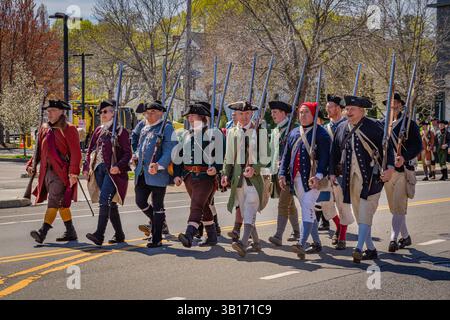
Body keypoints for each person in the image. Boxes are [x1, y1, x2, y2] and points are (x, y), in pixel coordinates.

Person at [329, 95, 395, 263]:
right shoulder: (342, 128)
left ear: (361, 111)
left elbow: (388, 149)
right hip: (350, 178)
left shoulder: (374, 126)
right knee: (359, 214)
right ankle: (371, 249)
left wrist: (390, 168)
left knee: (365, 211)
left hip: (372, 178)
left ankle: (359, 248)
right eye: (347, 109)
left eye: (352, 109)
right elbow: (334, 152)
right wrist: (331, 172)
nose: (348, 112)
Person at [279, 102, 331, 260]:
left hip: (313, 179)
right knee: (307, 209)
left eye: (307, 112)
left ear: (314, 115)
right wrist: (282, 174)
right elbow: (286, 156)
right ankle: (316, 243)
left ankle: (301, 243)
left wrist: (319, 175)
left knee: (307, 206)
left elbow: (325, 158)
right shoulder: (294, 132)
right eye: (301, 112)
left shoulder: (321, 134)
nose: (303, 115)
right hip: (296, 179)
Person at [29, 100, 82, 244]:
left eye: (52, 110)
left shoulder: (69, 129)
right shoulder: (44, 128)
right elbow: (39, 150)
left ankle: (42, 232)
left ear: (61, 112)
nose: (49, 113)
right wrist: (31, 164)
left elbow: (76, 153)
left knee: (53, 201)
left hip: (61, 173)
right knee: (61, 203)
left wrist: (73, 173)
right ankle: (71, 232)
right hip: (46, 172)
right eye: (48, 110)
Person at [221, 101, 268, 257]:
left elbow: (266, 157)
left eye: (248, 113)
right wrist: (225, 174)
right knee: (247, 211)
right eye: (241, 113)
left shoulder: (260, 131)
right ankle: (257, 243)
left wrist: (255, 168)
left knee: (249, 209)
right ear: (236, 115)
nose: (245, 116)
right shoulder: (232, 132)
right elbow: (228, 157)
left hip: (254, 180)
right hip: (237, 179)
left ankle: (243, 243)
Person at [174, 102, 224, 247]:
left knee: (196, 205)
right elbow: (179, 156)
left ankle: (189, 234)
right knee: (204, 206)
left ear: (202, 117)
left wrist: (216, 167)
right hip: (189, 176)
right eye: (188, 116)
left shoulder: (214, 134)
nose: (189, 118)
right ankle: (212, 236)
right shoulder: (186, 135)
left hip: (205, 177)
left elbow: (220, 154)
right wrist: (177, 175)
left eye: (192, 115)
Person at [83, 100, 132, 245]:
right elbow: (90, 149)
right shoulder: (98, 130)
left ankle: (99, 234)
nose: (102, 114)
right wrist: (86, 167)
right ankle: (119, 234)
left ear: (113, 113)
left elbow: (128, 153)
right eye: (101, 112)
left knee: (104, 199)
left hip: (112, 171)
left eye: (105, 111)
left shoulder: (120, 131)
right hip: (98, 169)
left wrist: (118, 166)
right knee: (110, 204)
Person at [380, 93, 422, 253]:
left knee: (398, 207)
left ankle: (393, 239)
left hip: (403, 171)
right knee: (395, 207)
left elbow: (417, 146)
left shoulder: (409, 124)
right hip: (387, 171)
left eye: (396, 103)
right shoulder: (383, 124)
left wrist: (404, 157)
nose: (393, 105)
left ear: (401, 105)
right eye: (390, 103)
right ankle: (406, 236)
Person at [134, 101, 177, 248]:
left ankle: (157, 237)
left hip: (157, 174)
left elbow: (170, 150)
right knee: (140, 201)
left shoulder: (167, 128)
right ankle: (159, 220)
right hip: (141, 172)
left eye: (152, 112)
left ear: (161, 113)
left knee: (158, 205)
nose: (149, 114)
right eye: (147, 112)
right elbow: (140, 147)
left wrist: (158, 165)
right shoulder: (145, 128)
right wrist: (135, 156)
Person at [319, 94, 354, 250]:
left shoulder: (348, 125)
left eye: (331, 106)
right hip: (326, 172)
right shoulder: (324, 128)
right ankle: (339, 226)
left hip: (341, 171)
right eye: (327, 106)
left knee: (342, 205)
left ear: (339, 108)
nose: (328, 108)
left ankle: (342, 237)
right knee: (325, 204)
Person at [267, 100, 300, 246]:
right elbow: (272, 152)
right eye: (272, 112)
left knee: (283, 203)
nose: (272, 115)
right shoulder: (275, 130)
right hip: (277, 172)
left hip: (289, 171)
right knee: (289, 203)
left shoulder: (293, 128)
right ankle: (297, 231)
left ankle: (278, 236)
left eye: (275, 112)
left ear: (283, 113)